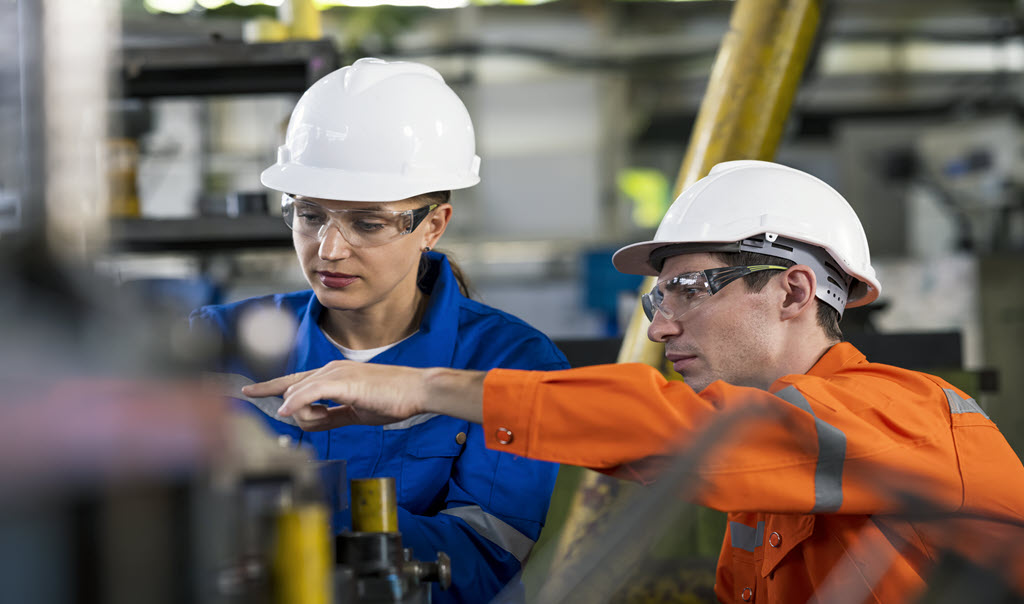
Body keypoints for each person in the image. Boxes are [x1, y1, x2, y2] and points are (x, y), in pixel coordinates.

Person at [244, 160, 1024, 603]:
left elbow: (688, 433)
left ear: (791, 291)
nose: (660, 325)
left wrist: (429, 388)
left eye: (691, 287)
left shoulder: (909, 419)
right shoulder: (776, 479)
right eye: (660, 296)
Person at [190, 58, 570, 604]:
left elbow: (483, 561)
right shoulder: (214, 342)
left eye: (367, 223)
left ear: (433, 226)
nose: (330, 249)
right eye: (310, 215)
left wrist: (291, 499)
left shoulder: (510, 363)